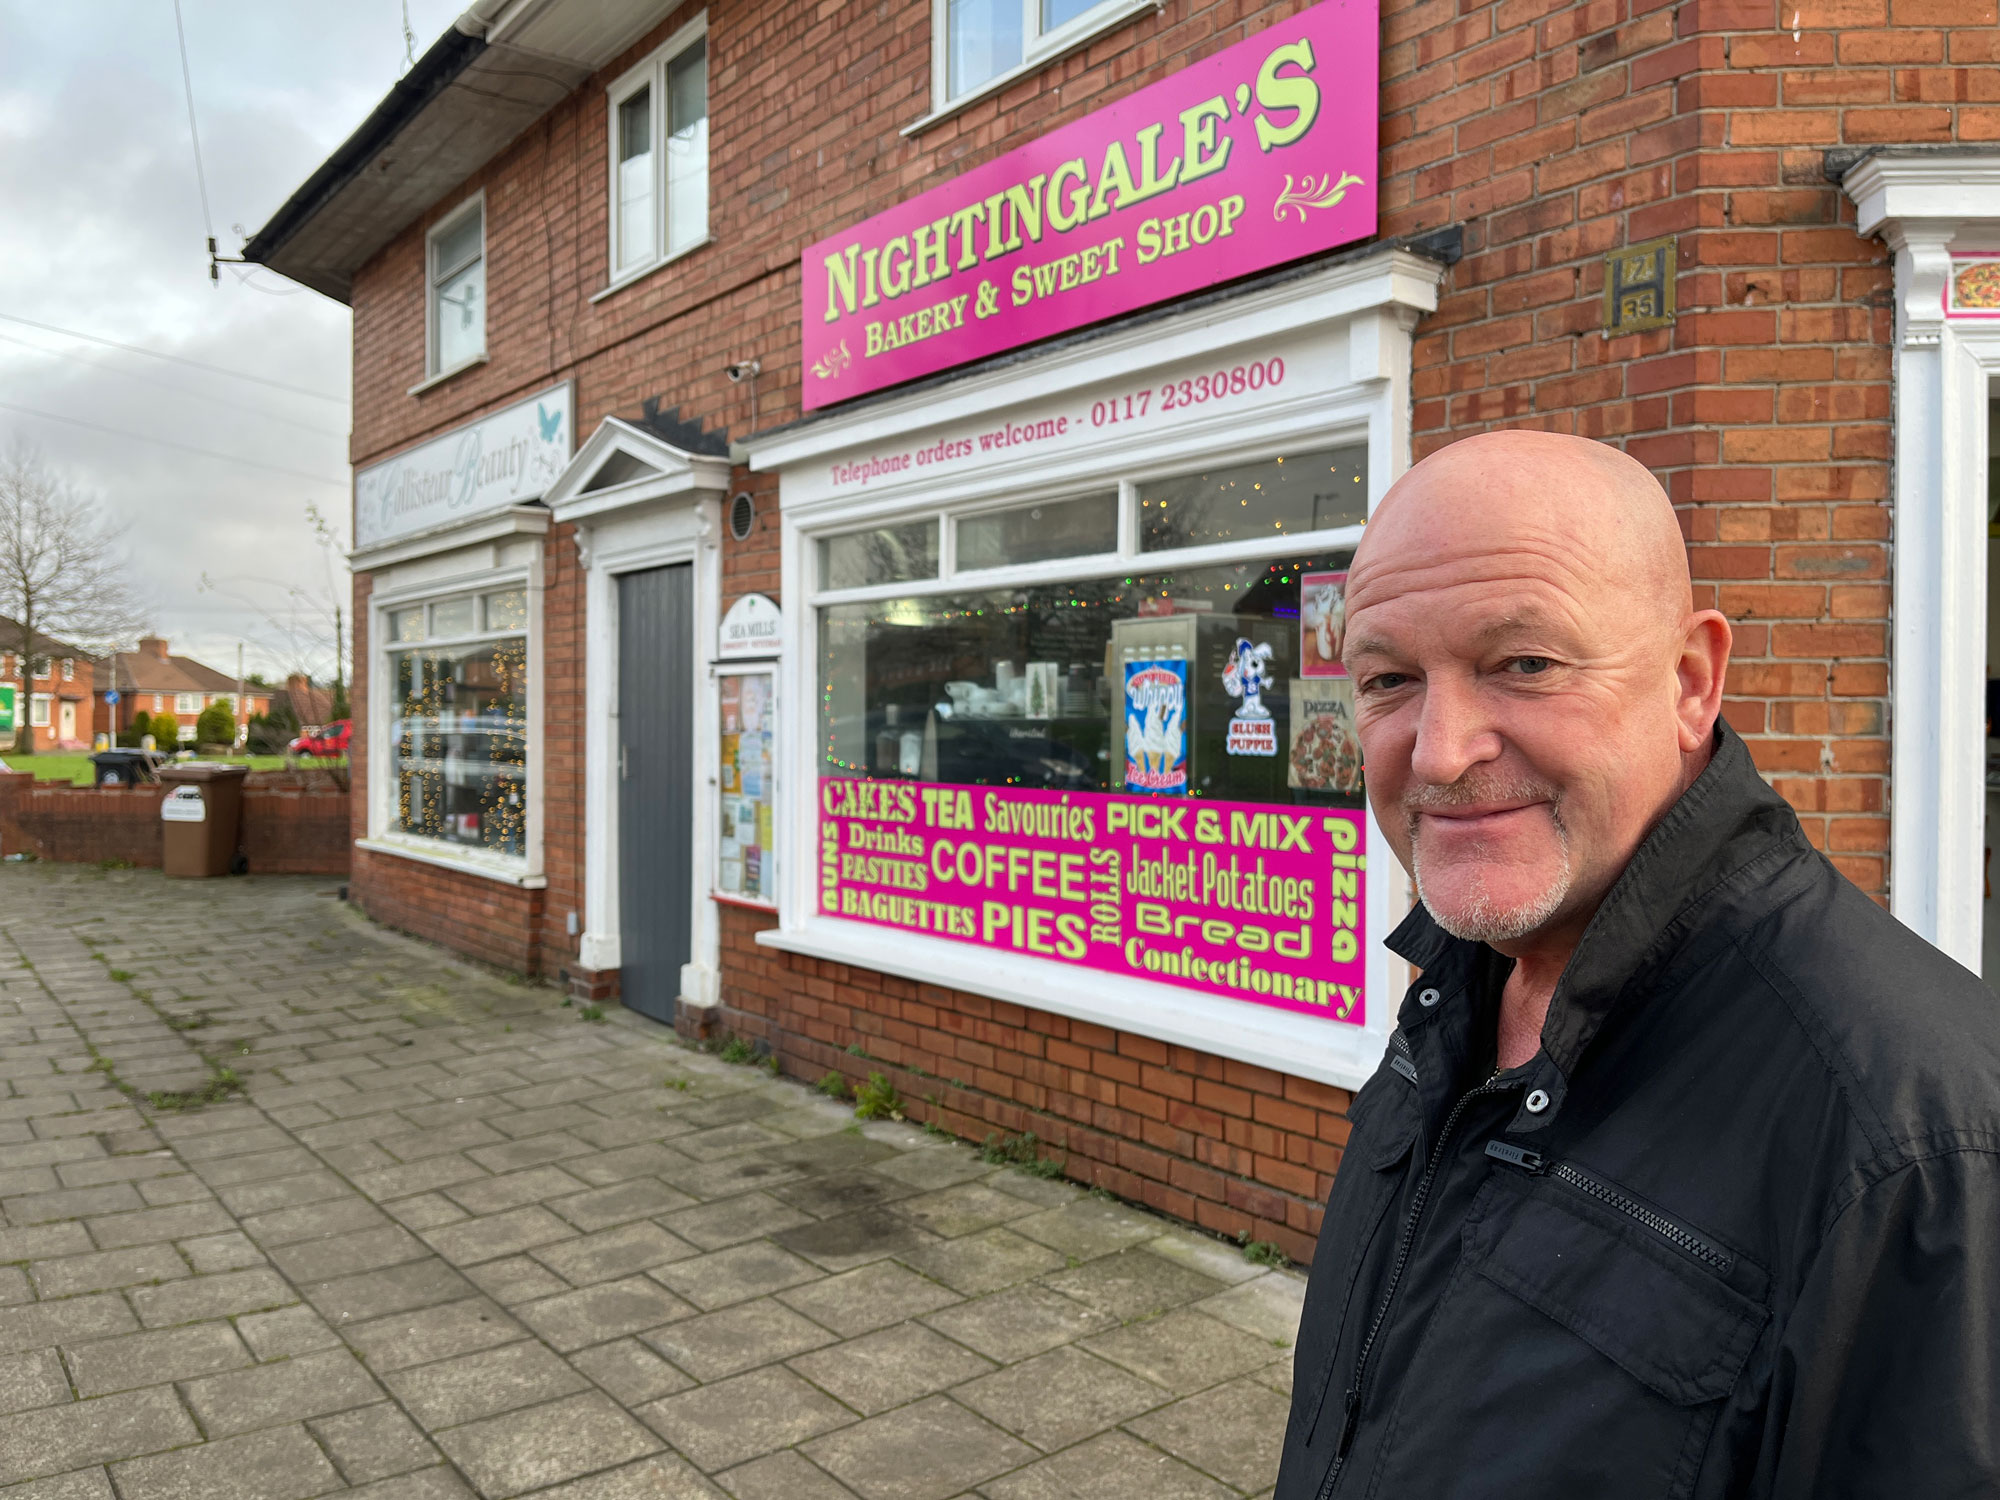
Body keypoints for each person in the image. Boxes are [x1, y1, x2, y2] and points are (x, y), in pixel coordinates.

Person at [1275, 431, 2000, 1499]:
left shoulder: (1912, 1136)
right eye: (1388, 679)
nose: (1435, 750)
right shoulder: (1463, 976)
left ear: (1689, 682)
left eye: (1523, 663)